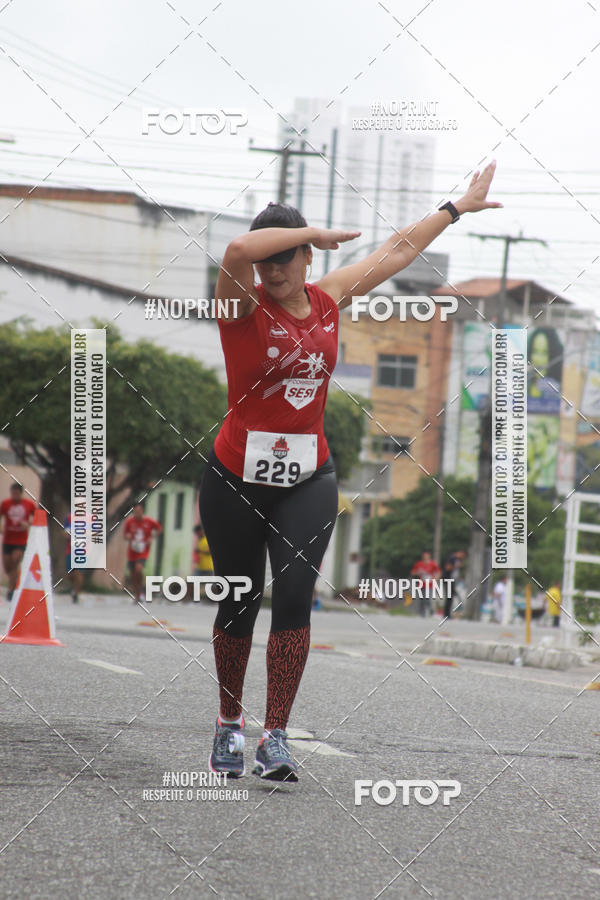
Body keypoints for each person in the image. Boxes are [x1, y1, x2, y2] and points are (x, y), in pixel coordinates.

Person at [200, 162, 501, 782]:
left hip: (309, 473)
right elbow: (233, 248)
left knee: (293, 596)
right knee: (239, 600)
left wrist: (456, 209)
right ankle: (229, 723)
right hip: (235, 474)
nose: (274, 270)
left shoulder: (328, 296)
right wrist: (307, 231)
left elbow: (395, 250)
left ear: (307, 260)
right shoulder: (240, 306)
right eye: (268, 260)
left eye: (288, 257)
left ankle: (275, 736)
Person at [1, 483, 36, 602]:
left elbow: (38, 518)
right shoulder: (5, 504)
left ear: (21, 493)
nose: (14, 496)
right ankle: (14, 583)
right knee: (8, 567)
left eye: (16, 494)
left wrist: (29, 524)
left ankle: (11, 590)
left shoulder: (29, 505)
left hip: (21, 540)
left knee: (15, 562)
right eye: (12, 493)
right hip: (8, 539)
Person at [123, 503, 162, 602]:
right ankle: (137, 593)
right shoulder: (129, 522)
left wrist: (151, 537)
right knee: (133, 574)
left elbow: (159, 529)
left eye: (139, 512)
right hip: (132, 551)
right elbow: (125, 535)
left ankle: (140, 591)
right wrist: (127, 536)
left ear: (142, 511)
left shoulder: (149, 521)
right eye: (135, 512)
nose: (137, 514)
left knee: (138, 569)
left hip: (143, 550)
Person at [411, 550, 442, 617]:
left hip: (430, 584)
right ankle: (422, 613)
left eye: (426, 555)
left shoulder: (433, 564)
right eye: (424, 555)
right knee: (422, 599)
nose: (425, 557)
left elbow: (438, 572)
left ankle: (431, 611)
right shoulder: (419, 564)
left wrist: (436, 578)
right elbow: (413, 572)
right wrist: (418, 573)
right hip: (421, 584)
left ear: (429, 556)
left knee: (428, 598)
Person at [63, 513, 83, 603]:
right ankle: (74, 588)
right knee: (70, 574)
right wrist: (67, 535)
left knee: (78, 571)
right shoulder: (69, 517)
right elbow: (64, 531)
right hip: (70, 549)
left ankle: (76, 593)